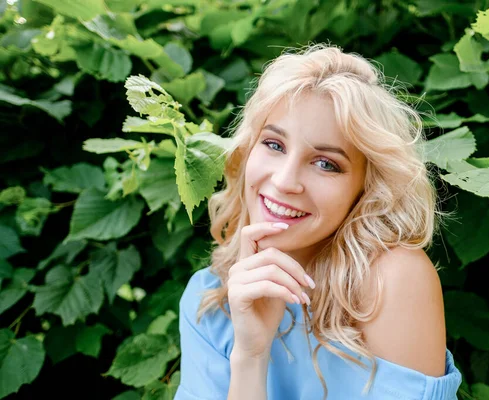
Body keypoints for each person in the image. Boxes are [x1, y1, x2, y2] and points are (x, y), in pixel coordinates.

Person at [174, 44, 462, 400]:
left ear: (366, 188)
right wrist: (250, 356)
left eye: (326, 163)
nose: (284, 181)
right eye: (274, 145)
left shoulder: (392, 281)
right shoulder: (209, 301)